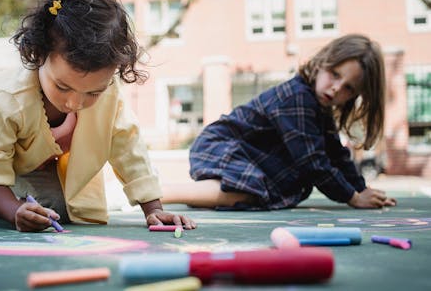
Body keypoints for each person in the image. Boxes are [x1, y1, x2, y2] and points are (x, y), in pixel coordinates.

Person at [0, 0, 196, 231]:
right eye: (62, 86)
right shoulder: (7, 95)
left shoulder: (109, 93)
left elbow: (128, 146)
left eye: (93, 92)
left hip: (23, 169)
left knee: (59, 210)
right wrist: (13, 212)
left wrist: (154, 209)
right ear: (37, 54)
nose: (74, 103)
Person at [162, 34, 397, 210]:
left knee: (257, 191)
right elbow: (312, 161)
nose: (336, 88)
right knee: (251, 192)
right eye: (335, 74)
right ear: (322, 62)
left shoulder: (318, 105)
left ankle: (206, 195)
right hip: (220, 146)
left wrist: (362, 188)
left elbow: (335, 153)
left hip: (246, 156)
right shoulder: (297, 97)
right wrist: (352, 197)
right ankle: (161, 193)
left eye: (348, 88)